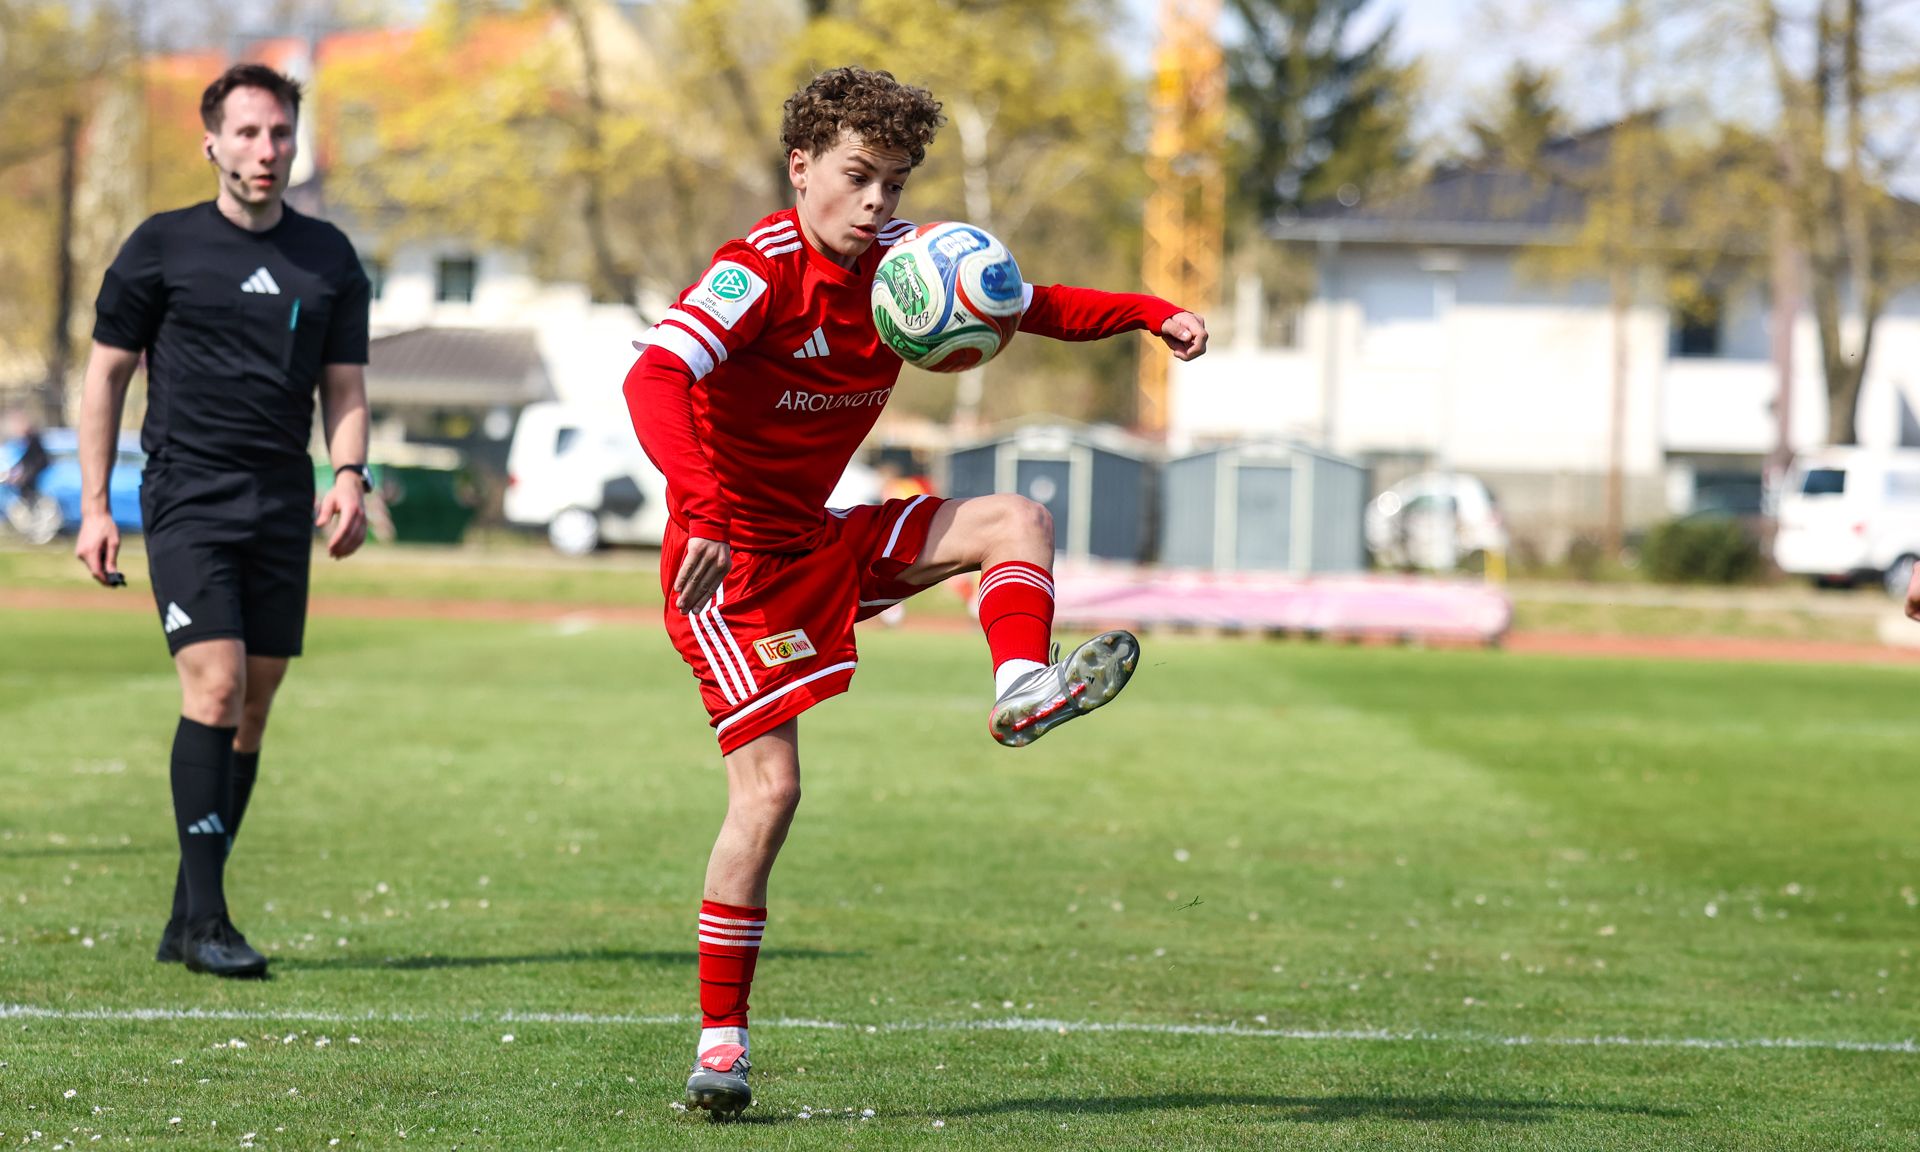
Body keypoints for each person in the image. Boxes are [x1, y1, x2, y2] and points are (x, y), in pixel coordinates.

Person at [622, 66, 1208, 1118]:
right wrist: (702, 506)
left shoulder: (907, 265)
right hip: (732, 572)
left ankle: (1021, 687)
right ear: (801, 168)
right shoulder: (756, 272)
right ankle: (720, 1045)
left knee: (1016, 520)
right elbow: (652, 377)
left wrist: (1148, 313)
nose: (877, 201)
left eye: (893, 181)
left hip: (818, 539)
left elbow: (1032, 305)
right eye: (857, 176)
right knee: (769, 796)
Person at [73, 63, 373, 979]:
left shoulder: (329, 257)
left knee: (251, 706)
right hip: (187, 496)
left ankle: (184, 917)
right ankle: (208, 923)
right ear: (211, 143)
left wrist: (350, 475)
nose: (266, 149)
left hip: (282, 503)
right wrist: (96, 505)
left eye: (279, 133)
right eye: (247, 133)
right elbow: (104, 377)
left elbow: (345, 388)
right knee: (214, 685)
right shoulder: (160, 246)